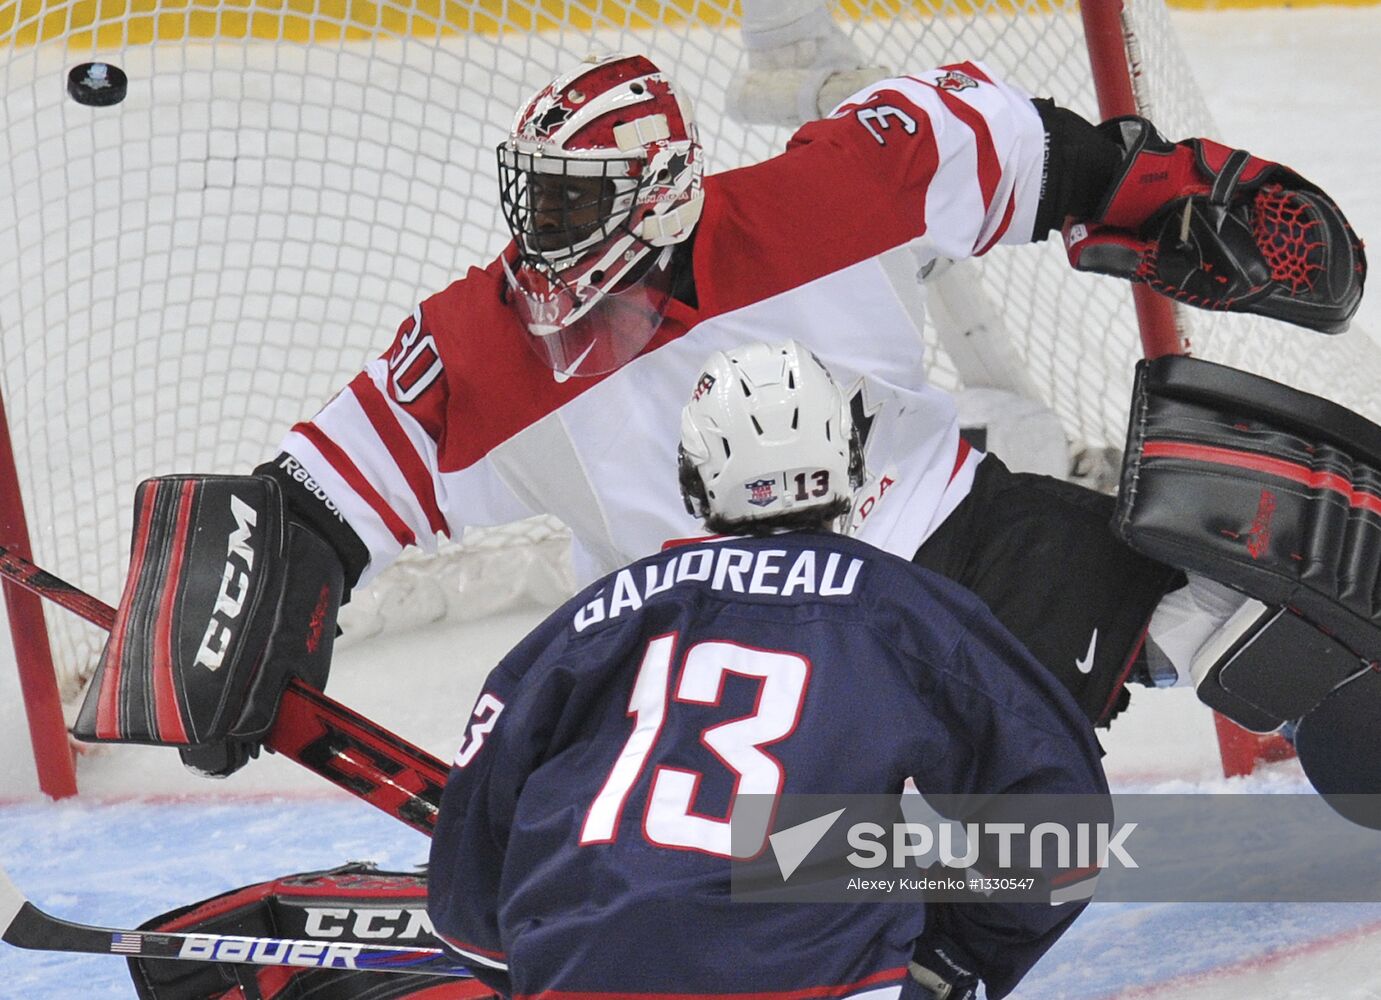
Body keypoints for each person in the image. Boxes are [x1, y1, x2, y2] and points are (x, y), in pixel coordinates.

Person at [74, 50, 1371, 805]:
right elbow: (316, 493)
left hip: (947, 526)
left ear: (664, 204)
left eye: (576, 215)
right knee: (822, 876)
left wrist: (1160, 197)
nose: (545, 244)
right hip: (725, 631)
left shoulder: (831, 190)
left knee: (1210, 569)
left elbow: (1042, 156)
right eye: (540, 208)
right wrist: (235, 580)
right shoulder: (486, 336)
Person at [426, 339, 1111, 1000]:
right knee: (884, 846)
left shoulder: (596, 616)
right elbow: (1061, 828)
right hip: (816, 975)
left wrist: (539, 959)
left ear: (694, 477)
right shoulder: (903, 609)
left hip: (585, 970)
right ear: (848, 464)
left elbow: (472, 836)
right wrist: (957, 957)